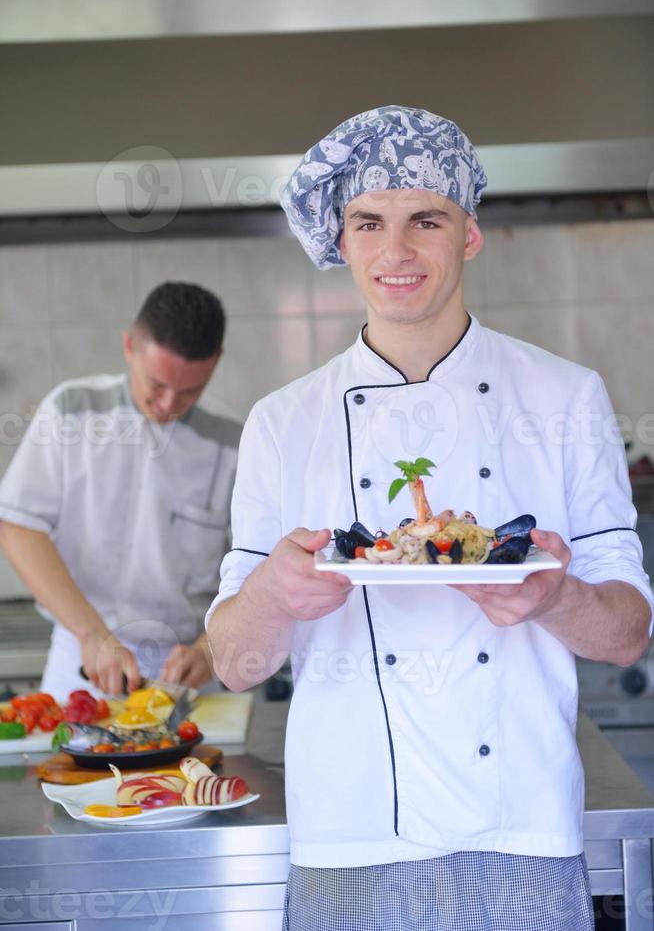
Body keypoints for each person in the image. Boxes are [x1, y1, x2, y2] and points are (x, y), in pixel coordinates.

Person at [205, 107, 653, 930]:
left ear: (470, 236)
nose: (396, 250)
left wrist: (555, 599)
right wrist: (272, 594)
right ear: (342, 241)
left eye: (426, 220)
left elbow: (628, 634)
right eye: (369, 222)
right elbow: (234, 662)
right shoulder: (283, 422)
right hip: (349, 838)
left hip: (522, 832)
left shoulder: (564, 397)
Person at [0, 281, 240, 698]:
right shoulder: (71, 411)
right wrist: (91, 634)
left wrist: (211, 648)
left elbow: (254, 567)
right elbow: (19, 527)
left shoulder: (233, 442)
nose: (168, 404)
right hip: (84, 658)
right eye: (156, 385)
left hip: (187, 672)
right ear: (129, 346)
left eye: (189, 392)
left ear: (215, 363)